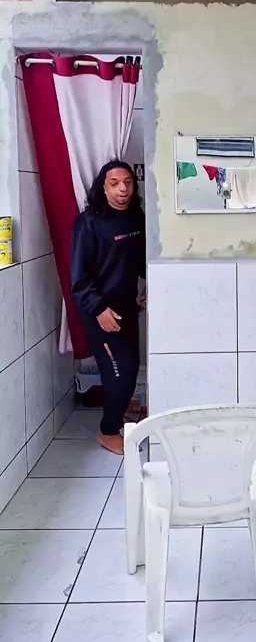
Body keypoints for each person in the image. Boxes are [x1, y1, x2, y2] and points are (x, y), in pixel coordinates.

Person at [71, 160, 146, 455]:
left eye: (127, 182)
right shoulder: (89, 223)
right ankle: (108, 432)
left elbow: (140, 260)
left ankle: (115, 419)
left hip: (126, 307)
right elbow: (79, 279)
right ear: (103, 188)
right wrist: (99, 310)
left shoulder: (136, 218)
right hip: (100, 312)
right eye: (114, 184)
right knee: (119, 372)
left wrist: (151, 284)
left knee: (131, 368)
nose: (122, 189)